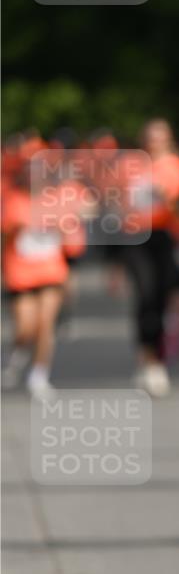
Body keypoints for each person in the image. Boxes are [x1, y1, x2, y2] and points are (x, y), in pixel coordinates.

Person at [1, 136, 86, 399]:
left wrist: (64, 230)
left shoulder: (58, 200)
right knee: (26, 326)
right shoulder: (13, 200)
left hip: (51, 271)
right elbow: (5, 237)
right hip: (20, 271)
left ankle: (39, 375)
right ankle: (20, 351)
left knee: (45, 324)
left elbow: (74, 240)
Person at [116, 119, 179, 397]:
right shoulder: (130, 165)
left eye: (159, 137)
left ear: (168, 139)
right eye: (149, 136)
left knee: (162, 298)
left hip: (168, 238)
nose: (153, 142)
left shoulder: (178, 166)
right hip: (136, 237)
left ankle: (157, 358)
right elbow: (117, 202)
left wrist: (165, 198)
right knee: (145, 297)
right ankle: (149, 361)